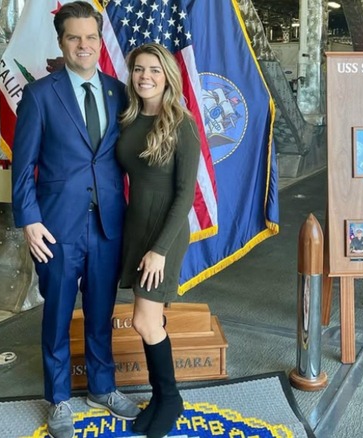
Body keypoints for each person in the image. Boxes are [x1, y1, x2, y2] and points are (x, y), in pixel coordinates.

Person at [10, 2, 139, 437]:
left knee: (101, 313)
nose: (83, 45)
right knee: (58, 316)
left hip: (107, 225)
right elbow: (23, 165)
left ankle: (103, 388)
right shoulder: (40, 95)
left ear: (98, 40)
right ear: (61, 41)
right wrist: (29, 220)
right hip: (56, 228)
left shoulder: (118, 92)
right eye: (73, 38)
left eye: (90, 37)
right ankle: (59, 398)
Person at [116, 43, 201, 438]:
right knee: (148, 318)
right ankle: (162, 396)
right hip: (135, 227)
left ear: (167, 75)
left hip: (164, 234)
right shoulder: (130, 119)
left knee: (144, 319)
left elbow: (185, 194)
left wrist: (159, 250)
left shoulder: (181, 123)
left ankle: (170, 398)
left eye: (153, 69)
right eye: (138, 69)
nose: (144, 76)